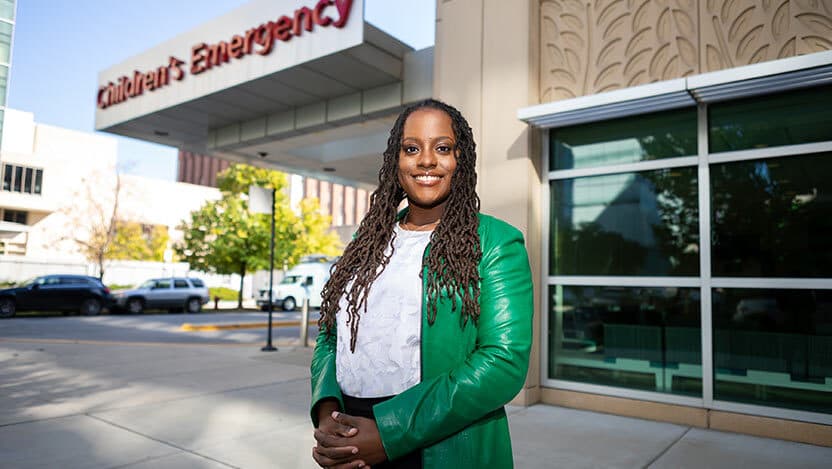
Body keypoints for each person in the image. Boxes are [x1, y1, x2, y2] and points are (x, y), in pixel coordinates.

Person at [310, 98, 533, 468]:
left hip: (440, 441)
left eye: (442, 148)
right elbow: (329, 337)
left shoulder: (496, 241)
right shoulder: (366, 243)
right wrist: (328, 416)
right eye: (412, 148)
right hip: (351, 441)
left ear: (461, 160)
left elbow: (503, 362)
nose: (426, 160)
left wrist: (389, 432)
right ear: (395, 162)